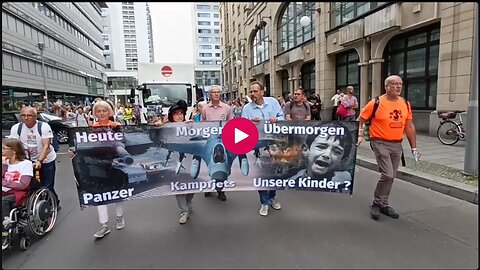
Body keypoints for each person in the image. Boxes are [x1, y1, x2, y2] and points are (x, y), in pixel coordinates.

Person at [357, 75, 419, 221]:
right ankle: (377, 204)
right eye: (394, 84)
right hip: (379, 142)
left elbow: (409, 126)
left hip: (397, 144)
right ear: (386, 87)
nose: (398, 87)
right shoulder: (376, 102)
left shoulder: (405, 103)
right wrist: (359, 136)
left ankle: (384, 204)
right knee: (388, 175)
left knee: (391, 176)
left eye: (400, 84)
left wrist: (414, 148)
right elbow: (360, 121)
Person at [73, 100, 125, 238]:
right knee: (100, 195)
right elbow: (83, 147)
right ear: (95, 113)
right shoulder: (90, 129)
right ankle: (104, 225)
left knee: (118, 192)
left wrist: (117, 128)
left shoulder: (117, 126)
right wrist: (74, 152)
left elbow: (126, 141)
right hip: (97, 165)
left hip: (115, 164)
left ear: (109, 112)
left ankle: (119, 217)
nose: (102, 113)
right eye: (99, 111)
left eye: (104, 110)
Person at [241, 81, 284, 217]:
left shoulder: (273, 102)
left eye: (255, 91)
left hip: (274, 143)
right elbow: (243, 127)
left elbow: (282, 117)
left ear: (262, 92)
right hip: (258, 146)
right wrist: (251, 124)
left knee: (274, 173)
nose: (252, 94)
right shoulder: (247, 108)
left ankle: (272, 197)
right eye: (251, 92)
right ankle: (264, 202)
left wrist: (276, 119)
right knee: (261, 173)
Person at [9, 106, 60, 209]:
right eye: (23, 115)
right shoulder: (16, 128)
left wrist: (39, 161)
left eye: (29, 115)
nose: (26, 118)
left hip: (46, 159)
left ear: (35, 116)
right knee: (32, 185)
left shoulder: (43, 127)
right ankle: (39, 203)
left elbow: (46, 147)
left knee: (47, 185)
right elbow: (14, 146)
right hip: (27, 160)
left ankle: (51, 205)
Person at [154, 100, 194, 224]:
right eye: (176, 114)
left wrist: (192, 126)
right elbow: (155, 137)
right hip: (174, 161)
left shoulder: (190, 125)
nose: (179, 116)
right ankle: (184, 211)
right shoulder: (166, 128)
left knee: (192, 186)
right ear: (172, 116)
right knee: (178, 187)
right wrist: (159, 125)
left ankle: (188, 201)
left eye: (181, 113)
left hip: (189, 160)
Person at [290, 122, 353, 191]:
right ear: (306, 150)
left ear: (343, 160)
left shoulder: (344, 185)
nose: (327, 155)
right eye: (321, 147)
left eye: (336, 152)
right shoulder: (292, 183)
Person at [201, 85, 233, 200]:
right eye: (213, 92)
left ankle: (220, 190)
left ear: (220, 94)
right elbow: (202, 124)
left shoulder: (227, 108)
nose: (216, 94)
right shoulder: (205, 108)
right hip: (210, 140)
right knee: (209, 163)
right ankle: (209, 187)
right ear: (210, 94)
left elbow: (231, 123)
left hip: (223, 140)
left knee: (222, 162)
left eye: (218, 92)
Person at [2, 138, 33, 243]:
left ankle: (5, 231)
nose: (2, 151)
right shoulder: (5, 163)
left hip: (17, 193)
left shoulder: (26, 164)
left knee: (4, 201)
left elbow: (23, 185)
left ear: (13, 151)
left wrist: (4, 183)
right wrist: (4, 165)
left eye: (4, 149)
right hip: (4, 190)